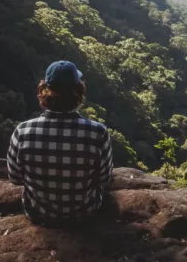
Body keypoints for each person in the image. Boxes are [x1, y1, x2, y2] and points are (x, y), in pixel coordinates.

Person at [7, 61, 113, 226]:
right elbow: (105, 179)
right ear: (78, 90)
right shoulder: (97, 132)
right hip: (83, 214)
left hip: (38, 214)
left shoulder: (23, 131)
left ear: (45, 91)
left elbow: (14, 177)